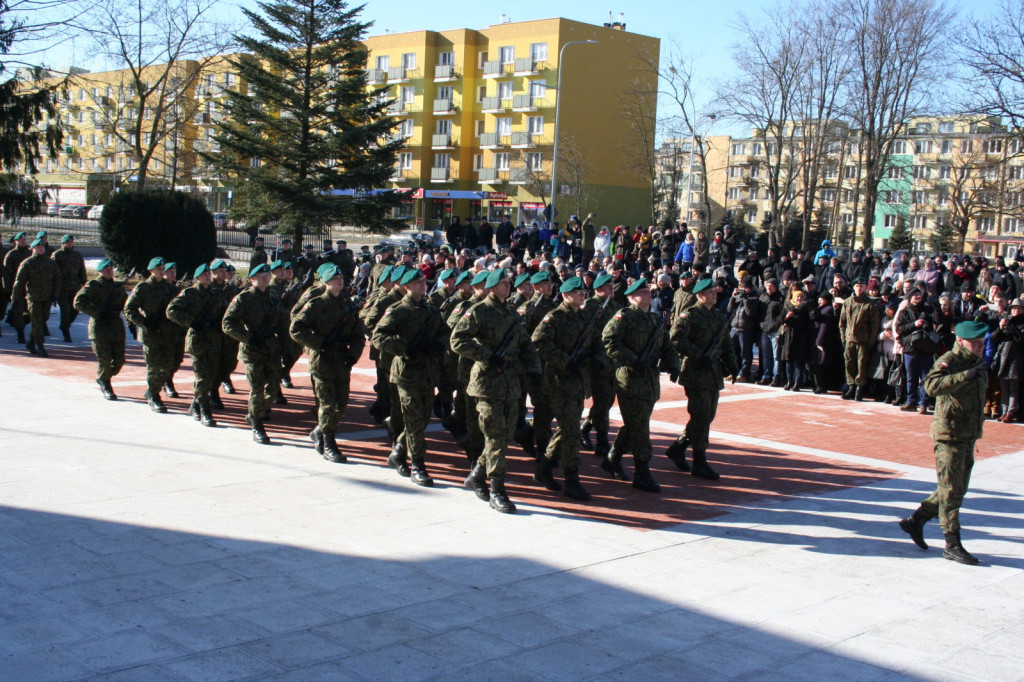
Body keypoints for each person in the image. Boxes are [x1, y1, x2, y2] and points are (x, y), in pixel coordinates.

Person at [898, 320, 989, 565]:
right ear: (960, 340)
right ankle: (952, 543)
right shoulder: (949, 361)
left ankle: (916, 521)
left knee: (956, 489)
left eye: (982, 342)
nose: (980, 346)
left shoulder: (978, 362)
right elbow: (931, 385)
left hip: (968, 435)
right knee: (950, 492)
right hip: (948, 436)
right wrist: (963, 376)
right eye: (975, 342)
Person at [451, 268, 541, 513]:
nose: (507, 286)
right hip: (487, 384)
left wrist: (534, 370)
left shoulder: (511, 312)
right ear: (491, 287)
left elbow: (525, 343)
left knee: (503, 436)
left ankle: (477, 475)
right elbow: (458, 340)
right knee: (495, 437)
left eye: (508, 282)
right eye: (503, 283)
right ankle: (497, 490)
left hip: (511, 385)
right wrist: (488, 357)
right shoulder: (479, 311)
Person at [371, 268, 448, 486]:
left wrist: (437, 344)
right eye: (417, 282)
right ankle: (418, 464)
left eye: (423, 281)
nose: (423, 285)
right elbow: (378, 336)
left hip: (427, 372)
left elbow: (445, 331)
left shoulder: (431, 311)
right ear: (407, 286)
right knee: (414, 421)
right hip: (406, 373)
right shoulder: (397, 310)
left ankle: (398, 451)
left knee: (422, 419)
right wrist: (405, 347)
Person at [602, 277, 679, 491]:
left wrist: (673, 364)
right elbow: (609, 341)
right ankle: (642, 472)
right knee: (641, 428)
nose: (648, 293)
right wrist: (632, 360)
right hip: (630, 380)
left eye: (648, 290)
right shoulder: (623, 317)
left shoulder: (654, 319)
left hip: (650, 381)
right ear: (632, 297)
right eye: (644, 291)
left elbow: (667, 345)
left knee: (636, 424)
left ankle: (613, 457)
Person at [530, 276, 599, 501]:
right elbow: (538, 342)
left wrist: (594, 358)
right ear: (566, 295)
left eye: (583, 291)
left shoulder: (585, 316)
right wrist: (564, 360)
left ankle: (544, 468)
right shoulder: (555, 317)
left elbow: (595, 342)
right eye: (577, 292)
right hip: (559, 381)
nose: (583, 294)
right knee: (570, 433)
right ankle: (572, 480)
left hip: (578, 381)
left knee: (569, 430)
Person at [290, 263, 365, 462]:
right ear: (324, 282)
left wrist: (353, 355)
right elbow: (296, 328)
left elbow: (358, 334)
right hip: (322, 360)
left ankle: (320, 431)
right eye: (334, 278)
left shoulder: (348, 305)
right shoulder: (316, 304)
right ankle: (329, 443)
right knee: (328, 404)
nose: (339, 281)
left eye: (341, 278)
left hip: (342, 360)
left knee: (341, 404)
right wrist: (319, 343)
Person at [668, 277, 738, 479]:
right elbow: (676, 338)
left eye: (715, 292)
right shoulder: (690, 315)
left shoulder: (717, 317)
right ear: (700, 295)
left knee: (707, 417)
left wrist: (732, 364)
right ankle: (700, 461)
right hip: (695, 372)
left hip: (713, 373)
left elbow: (726, 344)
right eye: (711, 292)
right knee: (700, 416)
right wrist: (698, 355)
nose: (715, 294)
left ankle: (678, 447)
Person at [223, 263, 285, 444]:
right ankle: (257, 423)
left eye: (267, 275)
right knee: (257, 388)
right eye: (261, 275)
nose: (266, 277)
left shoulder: (274, 297)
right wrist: (248, 338)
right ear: (252, 279)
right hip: (253, 350)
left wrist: (285, 347)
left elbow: (282, 321)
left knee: (273, 388)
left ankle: (255, 413)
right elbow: (228, 323)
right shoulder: (243, 298)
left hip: (271, 348)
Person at [166, 263, 225, 427]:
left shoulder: (215, 293)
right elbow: (171, 310)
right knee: (202, 377)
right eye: (204, 275)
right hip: (198, 340)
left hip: (213, 340)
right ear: (198, 277)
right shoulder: (190, 293)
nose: (207, 276)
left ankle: (195, 404)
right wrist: (192, 322)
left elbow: (224, 313)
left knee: (211, 376)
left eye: (208, 274)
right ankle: (205, 410)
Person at [123, 257, 177, 412]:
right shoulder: (143, 288)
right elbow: (129, 309)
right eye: (159, 269)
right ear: (151, 270)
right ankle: (154, 395)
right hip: (151, 333)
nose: (162, 271)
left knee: (167, 367)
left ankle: (152, 390)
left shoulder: (170, 288)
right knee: (154, 367)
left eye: (163, 268)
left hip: (167, 333)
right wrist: (144, 323)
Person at [73, 258, 127, 400]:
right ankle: (105, 383)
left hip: (115, 327)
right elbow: (78, 302)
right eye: (106, 268)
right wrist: (97, 313)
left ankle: (104, 377)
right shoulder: (94, 285)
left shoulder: (118, 287)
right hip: (100, 327)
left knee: (119, 360)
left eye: (111, 268)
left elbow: (125, 305)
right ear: (100, 271)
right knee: (105, 360)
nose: (110, 270)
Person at [12, 237, 61, 357]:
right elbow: (19, 282)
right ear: (33, 248)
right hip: (33, 298)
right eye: (38, 247)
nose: (41, 248)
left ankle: (31, 342)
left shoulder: (50, 263)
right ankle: (40, 345)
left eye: (42, 246)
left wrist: (55, 294)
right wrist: (15, 297)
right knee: (37, 323)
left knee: (43, 319)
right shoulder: (27, 263)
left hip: (47, 297)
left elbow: (58, 279)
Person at [839, 276, 882, 401]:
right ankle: (851, 387)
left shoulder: (870, 304)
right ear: (853, 287)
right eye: (857, 286)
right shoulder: (847, 302)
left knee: (861, 365)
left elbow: (874, 325)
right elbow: (842, 323)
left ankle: (859, 389)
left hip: (863, 340)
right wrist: (843, 338)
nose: (859, 288)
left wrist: (871, 341)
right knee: (849, 364)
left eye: (862, 286)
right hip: (849, 339)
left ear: (865, 287)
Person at [51, 234, 86, 342]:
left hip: (75, 287)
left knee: (75, 309)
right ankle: (66, 331)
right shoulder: (57, 255)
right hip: (62, 288)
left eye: (71, 242)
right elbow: (52, 272)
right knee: (65, 310)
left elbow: (82, 271)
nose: (69, 244)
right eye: (67, 242)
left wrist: (84, 285)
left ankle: (65, 325)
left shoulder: (77, 255)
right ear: (63, 243)